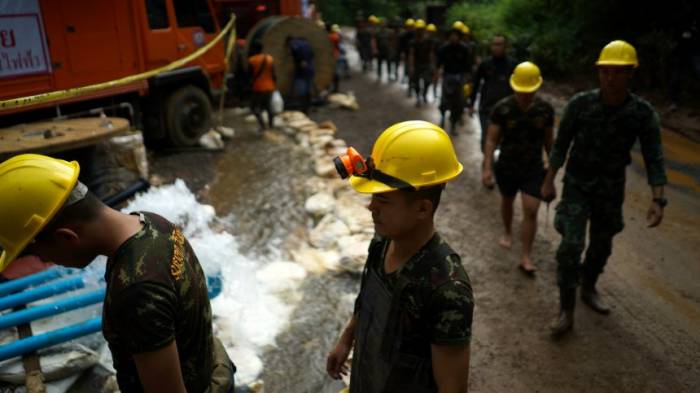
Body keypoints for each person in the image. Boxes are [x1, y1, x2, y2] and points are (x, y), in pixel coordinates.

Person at [0, 154, 235, 393]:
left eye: (41, 255)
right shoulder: (152, 223)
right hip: (209, 370)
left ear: (66, 237)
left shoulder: (137, 290)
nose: (47, 261)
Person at [326, 121, 474, 393]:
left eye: (383, 200)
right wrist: (346, 340)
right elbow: (367, 299)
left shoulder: (447, 290)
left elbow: (452, 388)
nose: (371, 207)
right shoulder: (382, 242)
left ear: (422, 208)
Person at [541, 40, 668, 337]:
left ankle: (588, 286)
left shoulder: (642, 113)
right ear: (599, 73)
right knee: (570, 246)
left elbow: (655, 157)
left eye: (617, 72)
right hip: (577, 185)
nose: (610, 78)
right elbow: (560, 146)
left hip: (610, 189)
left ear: (629, 75)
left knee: (602, 245)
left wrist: (658, 199)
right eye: (605, 72)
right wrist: (548, 180)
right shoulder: (580, 105)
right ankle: (565, 310)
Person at [482, 62, 554, 275]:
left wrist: (552, 174)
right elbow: (491, 141)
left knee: (531, 210)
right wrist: (487, 168)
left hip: (533, 169)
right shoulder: (502, 108)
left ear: (536, 88)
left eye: (529, 91)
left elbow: (550, 143)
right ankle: (507, 230)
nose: (524, 95)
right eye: (521, 90)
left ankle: (526, 256)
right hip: (506, 166)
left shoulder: (545, 110)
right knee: (507, 201)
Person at [469, 35, 517, 152]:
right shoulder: (485, 64)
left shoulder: (513, 65)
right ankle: (487, 165)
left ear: (505, 46)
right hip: (486, 108)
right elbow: (475, 84)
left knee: (507, 141)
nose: (496, 47)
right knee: (486, 139)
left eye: (499, 44)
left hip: (507, 110)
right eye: (494, 44)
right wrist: (471, 104)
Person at [436, 24, 474, 135]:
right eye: (452, 35)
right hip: (447, 76)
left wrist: (468, 79)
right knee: (444, 100)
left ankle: (453, 125)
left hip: (459, 77)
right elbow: (439, 64)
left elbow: (468, 66)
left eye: (456, 35)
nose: (454, 38)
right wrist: (437, 74)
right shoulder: (444, 48)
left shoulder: (464, 49)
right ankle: (442, 118)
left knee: (458, 102)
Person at [248, 41, 277, 131]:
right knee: (268, 106)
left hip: (258, 87)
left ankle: (262, 125)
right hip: (270, 86)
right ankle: (271, 125)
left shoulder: (252, 60)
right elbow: (274, 74)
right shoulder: (270, 59)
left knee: (255, 108)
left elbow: (249, 75)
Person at [408, 20, 437, 107]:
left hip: (426, 64)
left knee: (427, 81)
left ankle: (424, 94)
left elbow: (431, 53)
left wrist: (433, 64)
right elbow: (411, 54)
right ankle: (418, 97)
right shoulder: (413, 42)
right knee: (416, 83)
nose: (419, 31)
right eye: (418, 29)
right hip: (417, 64)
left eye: (421, 29)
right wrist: (411, 66)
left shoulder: (428, 41)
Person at [287, 36, 316, 114]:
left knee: (301, 91)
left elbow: (297, 52)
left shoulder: (294, 44)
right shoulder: (306, 44)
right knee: (308, 89)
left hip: (302, 71)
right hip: (310, 69)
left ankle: (303, 109)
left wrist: (301, 61)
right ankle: (308, 107)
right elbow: (312, 55)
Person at [399, 18, 416, 92]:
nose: (410, 28)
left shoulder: (416, 35)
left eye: (411, 26)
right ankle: (410, 85)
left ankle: (413, 84)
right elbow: (401, 47)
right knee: (408, 71)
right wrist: (402, 54)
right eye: (409, 26)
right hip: (407, 56)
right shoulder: (403, 36)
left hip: (416, 57)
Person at [328, 24, 343, 92]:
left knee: (332, 72)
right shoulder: (335, 36)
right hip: (335, 55)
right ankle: (336, 87)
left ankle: (332, 87)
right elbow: (338, 47)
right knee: (336, 72)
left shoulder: (328, 36)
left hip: (330, 56)